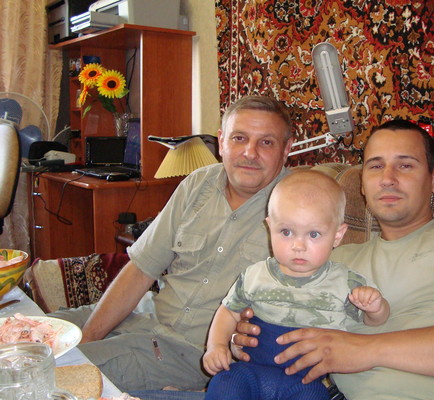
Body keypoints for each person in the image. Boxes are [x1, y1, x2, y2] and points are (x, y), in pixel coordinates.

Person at [233, 119, 434, 399]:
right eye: (375, 166)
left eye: (405, 165)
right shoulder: (328, 262)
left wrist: (368, 350)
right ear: (362, 185)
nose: (387, 178)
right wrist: (247, 342)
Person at [49, 95, 295, 392]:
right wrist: (89, 336)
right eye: (239, 138)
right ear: (221, 142)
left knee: (53, 374)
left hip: (188, 353)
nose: (250, 153)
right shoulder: (198, 184)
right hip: (144, 315)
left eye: (266, 142)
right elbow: (142, 268)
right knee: (26, 336)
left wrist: (83, 353)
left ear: (286, 149)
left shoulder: (301, 206)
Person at [203, 170, 390, 400]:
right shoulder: (254, 275)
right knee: (224, 383)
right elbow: (228, 311)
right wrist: (216, 345)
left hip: (305, 382)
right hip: (250, 371)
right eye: (286, 232)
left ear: (337, 235)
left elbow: (375, 321)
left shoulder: (344, 282)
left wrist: (376, 308)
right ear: (269, 227)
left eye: (314, 234)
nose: (298, 245)